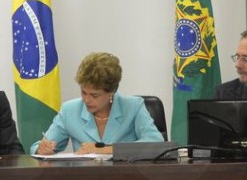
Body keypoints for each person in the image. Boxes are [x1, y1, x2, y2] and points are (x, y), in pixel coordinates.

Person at [32, 52, 163, 155]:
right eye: (83, 92)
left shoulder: (133, 107)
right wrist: (41, 149)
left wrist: (106, 150)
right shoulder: (69, 110)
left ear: (111, 91)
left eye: (94, 95)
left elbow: (156, 144)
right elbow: (38, 147)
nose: (87, 100)